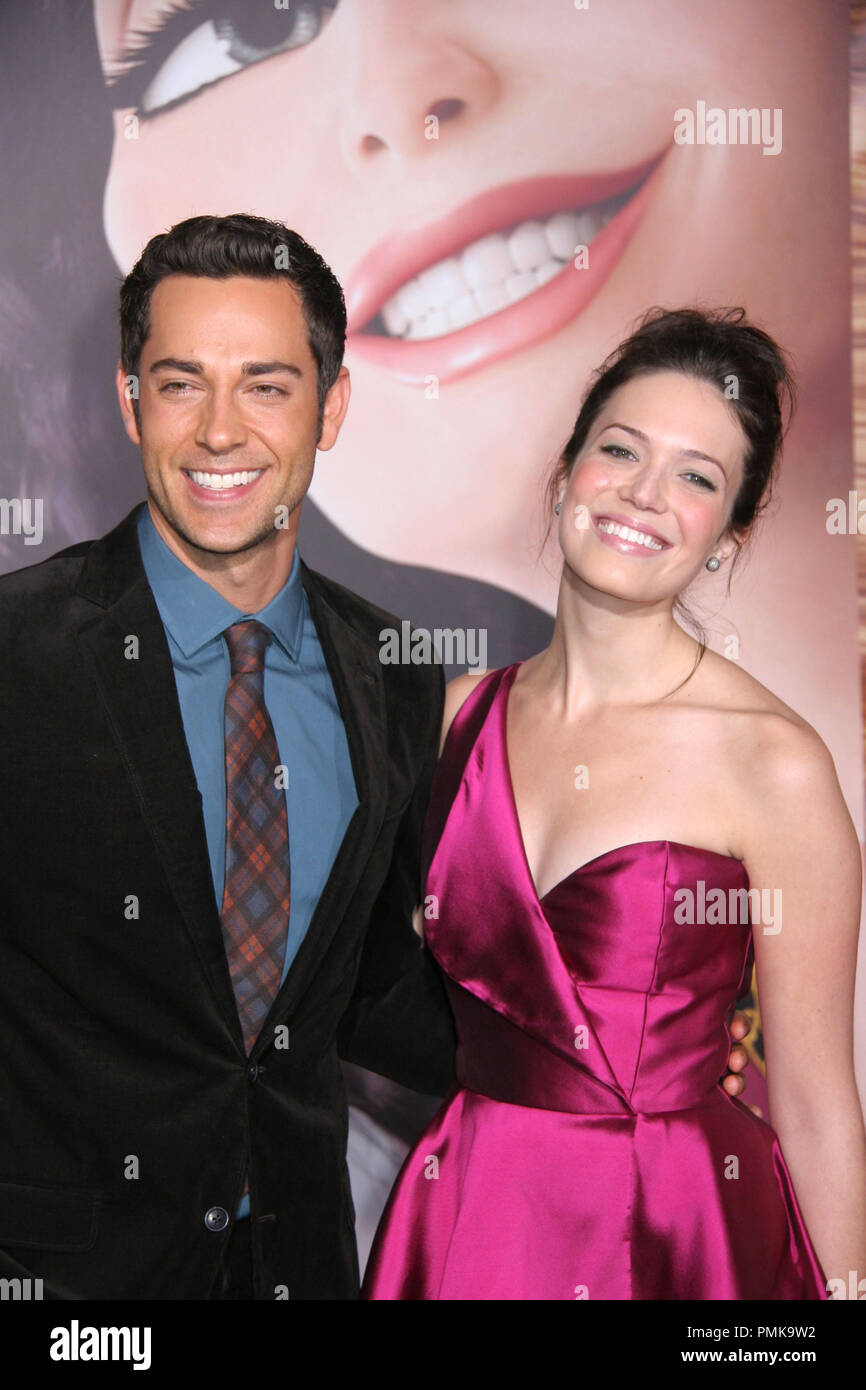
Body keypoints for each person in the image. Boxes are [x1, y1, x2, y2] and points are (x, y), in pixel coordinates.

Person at [0, 216, 753, 1301]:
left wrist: (612, 1050)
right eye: (178, 384)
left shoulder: (394, 678)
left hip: (301, 1266)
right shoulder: (21, 654)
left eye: (265, 385)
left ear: (331, 406)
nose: (221, 431)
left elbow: (378, 985)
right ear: (128, 402)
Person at [361, 307, 866, 1300]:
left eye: (696, 477)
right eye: (619, 450)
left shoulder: (772, 761)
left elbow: (813, 1106)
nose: (643, 493)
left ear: (726, 537)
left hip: (676, 1228)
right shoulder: (455, 717)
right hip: (469, 1212)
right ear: (564, 474)